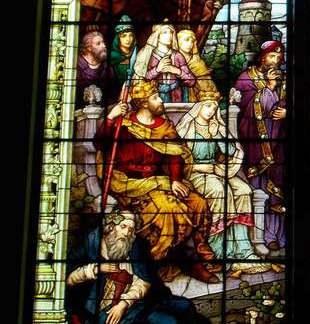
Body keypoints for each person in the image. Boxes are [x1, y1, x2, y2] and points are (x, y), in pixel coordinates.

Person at [66, 210, 258, 324]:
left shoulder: (133, 245)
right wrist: (94, 269)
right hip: (100, 318)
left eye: (130, 229)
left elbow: (144, 280)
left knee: (178, 316)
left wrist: (123, 304)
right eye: (123, 227)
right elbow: (66, 278)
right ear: (110, 226)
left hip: (134, 305)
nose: (126, 233)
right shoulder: (91, 244)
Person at [93, 80, 219, 283]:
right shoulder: (124, 125)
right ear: (143, 103)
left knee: (198, 203)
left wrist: (176, 180)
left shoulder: (165, 126)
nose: (160, 100)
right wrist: (111, 117)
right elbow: (100, 144)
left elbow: (176, 153)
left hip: (162, 182)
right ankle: (165, 262)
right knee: (170, 208)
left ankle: (192, 258)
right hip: (131, 186)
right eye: (155, 97)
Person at [176, 89, 261, 261]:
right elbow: (176, 158)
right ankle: (219, 249)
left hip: (217, 171)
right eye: (207, 106)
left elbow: (231, 152)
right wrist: (197, 167)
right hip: (194, 174)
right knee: (220, 192)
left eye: (214, 108)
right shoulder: (185, 128)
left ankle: (244, 248)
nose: (211, 111)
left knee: (244, 190)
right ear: (198, 107)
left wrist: (218, 135)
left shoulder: (217, 126)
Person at [233, 41, 286, 252]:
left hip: (281, 143)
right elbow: (246, 108)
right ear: (262, 57)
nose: (276, 62)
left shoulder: (285, 80)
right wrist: (270, 88)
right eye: (272, 57)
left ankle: (278, 237)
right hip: (255, 144)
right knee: (258, 188)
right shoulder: (246, 79)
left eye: (279, 59)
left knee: (279, 189)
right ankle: (259, 236)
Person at [133, 23, 195, 103]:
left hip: (176, 97)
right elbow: (142, 79)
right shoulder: (148, 56)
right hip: (154, 96)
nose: (169, 35)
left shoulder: (177, 56)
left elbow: (192, 81)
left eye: (171, 32)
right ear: (157, 36)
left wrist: (177, 71)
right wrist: (157, 70)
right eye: (165, 32)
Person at [76, 30, 117, 106]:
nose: (104, 46)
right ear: (89, 48)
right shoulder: (77, 66)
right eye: (98, 44)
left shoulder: (107, 67)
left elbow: (113, 94)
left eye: (103, 42)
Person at [176, 28, 217, 102]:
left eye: (192, 41)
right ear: (178, 41)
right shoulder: (172, 60)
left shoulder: (198, 63)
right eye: (186, 40)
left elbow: (207, 85)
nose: (189, 44)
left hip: (198, 99)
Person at [109, 15, 137, 85]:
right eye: (124, 36)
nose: (128, 39)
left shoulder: (139, 53)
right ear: (118, 39)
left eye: (131, 35)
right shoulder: (112, 56)